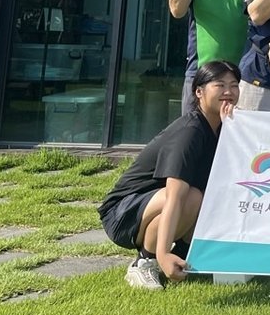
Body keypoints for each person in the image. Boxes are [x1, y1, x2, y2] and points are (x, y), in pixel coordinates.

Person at [99, 60, 239, 290]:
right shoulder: (189, 131)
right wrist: (162, 253)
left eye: (234, 85)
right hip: (123, 213)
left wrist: (232, 130)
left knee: (213, 195)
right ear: (199, 92)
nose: (228, 92)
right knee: (192, 197)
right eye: (220, 85)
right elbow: (175, 196)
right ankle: (145, 261)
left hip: (158, 204)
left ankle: (185, 257)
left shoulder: (223, 127)